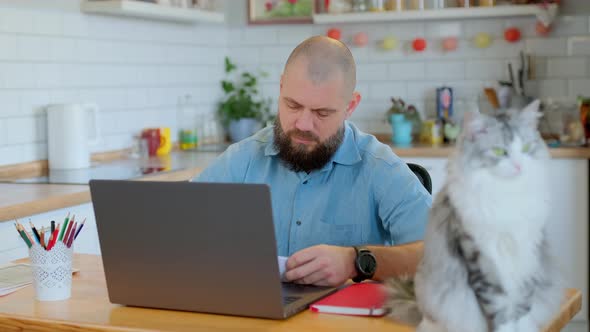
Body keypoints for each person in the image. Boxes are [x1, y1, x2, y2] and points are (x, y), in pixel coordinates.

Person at [194, 36, 431, 287]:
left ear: (350, 106)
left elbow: (444, 255)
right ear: (282, 87)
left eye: (322, 113)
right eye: (293, 105)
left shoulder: (381, 169)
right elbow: (180, 227)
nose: (303, 124)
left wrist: (355, 260)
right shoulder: (242, 159)